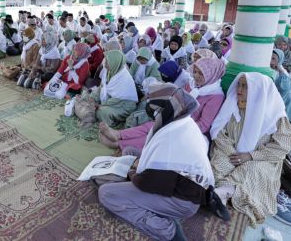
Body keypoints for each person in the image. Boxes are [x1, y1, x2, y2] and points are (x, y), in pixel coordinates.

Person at [98, 84, 214, 241]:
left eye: (157, 112)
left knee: (107, 193)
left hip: (183, 200)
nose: (154, 116)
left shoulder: (172, 136)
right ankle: (148, 201)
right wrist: (138, 164)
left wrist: (132, 172)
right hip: (180, 183)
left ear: (165, 110)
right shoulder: (182, 121)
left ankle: (167, 230)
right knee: (129, 151)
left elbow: (149, 182)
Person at [210, 73, 291, 226]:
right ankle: (224, 193)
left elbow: (282, 146)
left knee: (252, 170)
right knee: (219, 161)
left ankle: (223, 192)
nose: (239, 90)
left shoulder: (275, 114)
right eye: (239, 84)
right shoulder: (234, 104)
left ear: (259, 91)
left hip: (260, 159)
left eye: (245, 86)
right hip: (233, 153)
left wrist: (250, 155)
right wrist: (231, 152)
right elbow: (220, 132)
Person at [101, 58, 225, 152]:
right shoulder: (192, 85)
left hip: (190, 130)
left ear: (211, 75)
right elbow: (177, 101)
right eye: (196, 71)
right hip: (177, 119)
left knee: (160, 134)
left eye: (201, 74)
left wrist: (177, 124)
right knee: (151, 125)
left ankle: (119, 144)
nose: (196, 76)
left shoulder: (216, 96)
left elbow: (203, 125)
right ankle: (118, 135)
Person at [92, 50, 138, 126]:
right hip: (111, 101)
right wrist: (93, 97)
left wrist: (102, 104)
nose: (105, 64)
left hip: (124, 105)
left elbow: (118, 99)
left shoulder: (124, 77)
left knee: (101, 112)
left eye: (107, 62)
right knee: (89, 98)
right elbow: (102, 87)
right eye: (105, 61)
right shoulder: (109, 71)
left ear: (115, 62)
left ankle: (114, 122)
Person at [271, 49, 291, 133]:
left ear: (280, 61)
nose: (270, 61)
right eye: (269, 57)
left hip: (284, 101)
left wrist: (281, 70)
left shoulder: (282, 73)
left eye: (273, 59)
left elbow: (284, 89)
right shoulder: (269, 70)